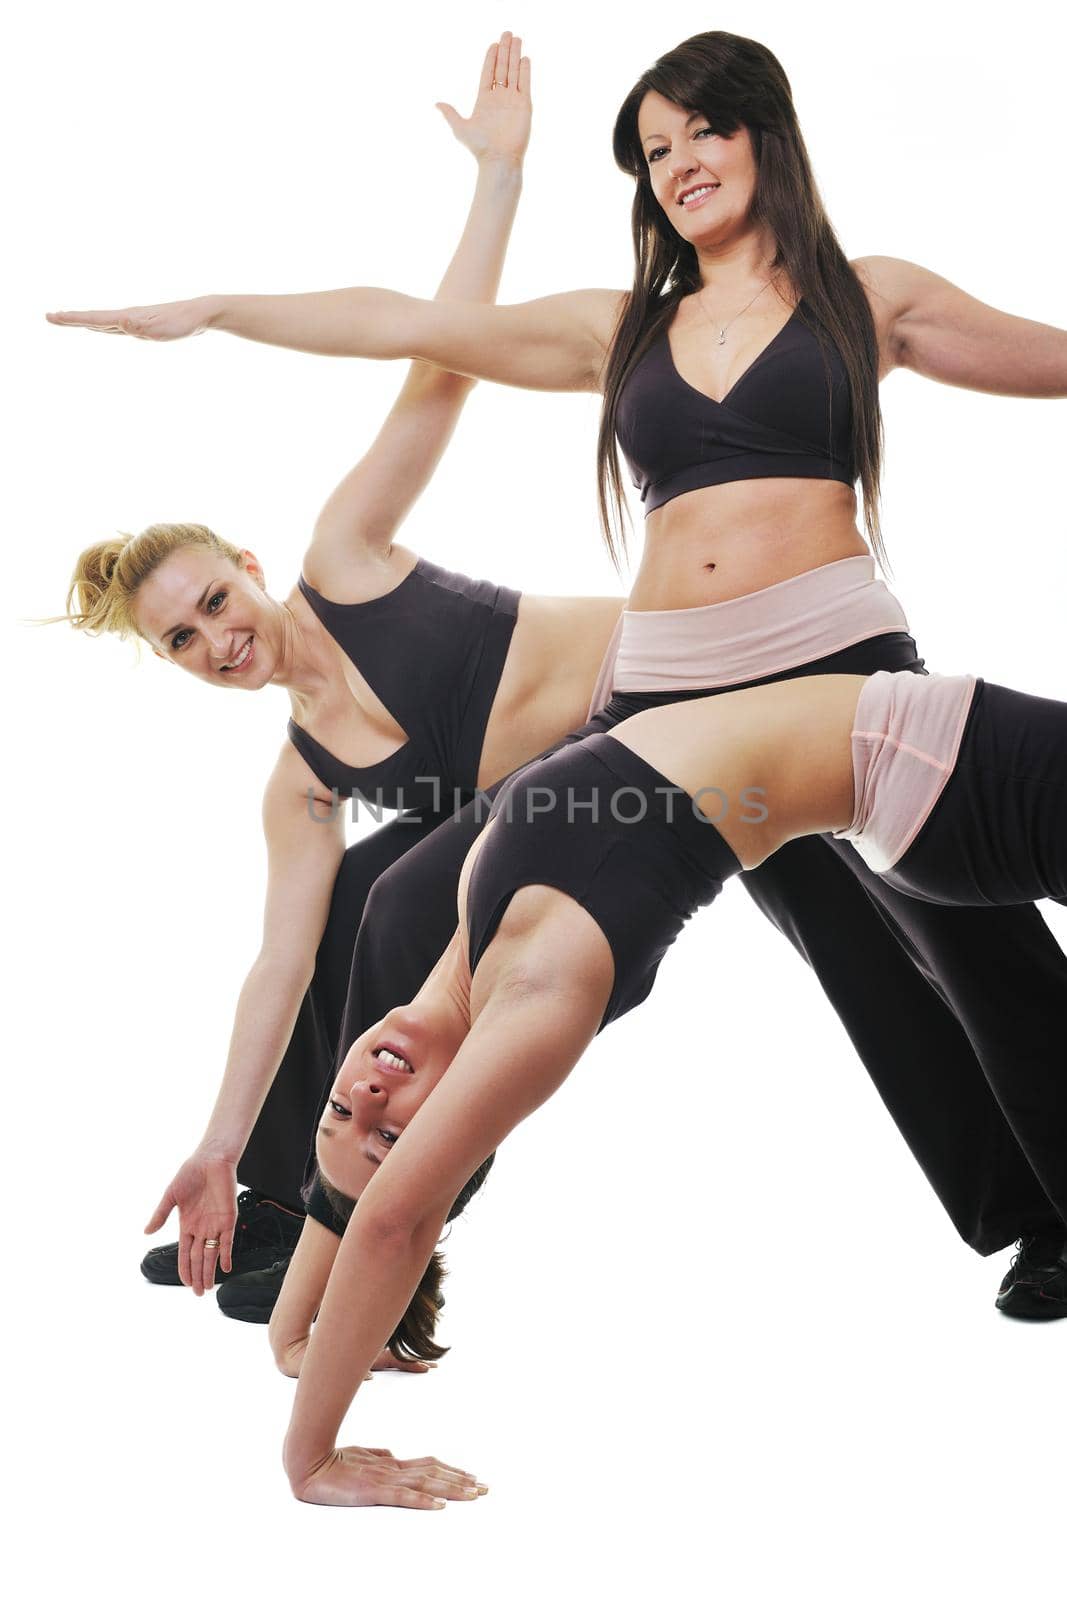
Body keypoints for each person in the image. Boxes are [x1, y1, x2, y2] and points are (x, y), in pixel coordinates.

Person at [49, 29, 1067, 1316]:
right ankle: (331, 1219)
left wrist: (487, 181)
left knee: (941, 934)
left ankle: (1045, 1210)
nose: (680, 163)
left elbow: (1059, 358)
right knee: (406, 899)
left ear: (764, 131)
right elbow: (416, 327)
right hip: (659, 720)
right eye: (654, 151)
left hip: (823, 662)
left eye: (702, 130)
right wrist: (221, 314)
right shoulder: (622, 331)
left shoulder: (868, 296)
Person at [57, 35, 620, 1304]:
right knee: (353, 899)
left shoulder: (347, 558)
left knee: (395, 892)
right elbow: (275, 968)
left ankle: (349, 1221)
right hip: (555, 830)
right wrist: (209, 1137)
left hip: (664, 702)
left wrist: (496, 183)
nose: (217, 642)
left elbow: (440, 363)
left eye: (212, 601)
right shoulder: (295, 780)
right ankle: (268, 1205)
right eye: (182, 643)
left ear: (249, 566)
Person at [267, 661, 1067, 1508]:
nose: (366, 1095)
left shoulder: (470, 937)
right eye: (388, 1137)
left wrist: (297, 1331)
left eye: (336, 1108)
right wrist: (309, 1459)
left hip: (903, 758)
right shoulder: (538, 990)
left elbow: (373, 1209)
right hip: (920, 765)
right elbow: (396, 1220)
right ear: (453, 1136)